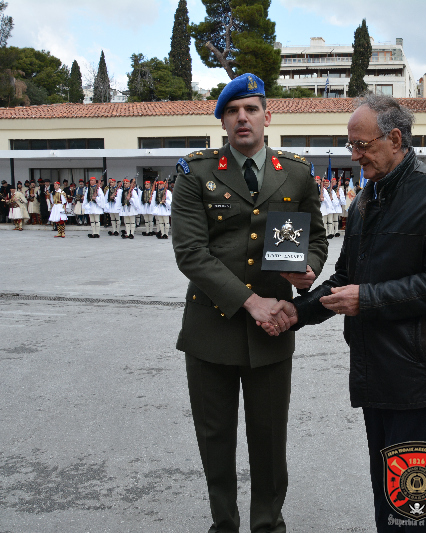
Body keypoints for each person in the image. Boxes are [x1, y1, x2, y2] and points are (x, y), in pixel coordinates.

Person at [269, 94, 426, 533]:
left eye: (361, 145)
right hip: (376, 371)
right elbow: (345, 278)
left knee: (414, 508)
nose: (354, 156)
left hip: (421, 378)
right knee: (386, 496)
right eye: (351, 146)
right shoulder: (366, 199)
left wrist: (369, 300)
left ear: (395, 139)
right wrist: (296, 312)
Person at [171, 72, 327, 533]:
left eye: (251, 109)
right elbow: (191, 252)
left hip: (272, 330)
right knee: (215, 439)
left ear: (267, 116)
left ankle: (267, 524)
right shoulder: (196, 172)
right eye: (233, 111)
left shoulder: (296, 172)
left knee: (269, 440)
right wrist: (250, 301)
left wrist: (308, 269)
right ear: (222, 121)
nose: (243, 117)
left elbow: (316, 238)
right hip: (210, 330)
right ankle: (224, 523)